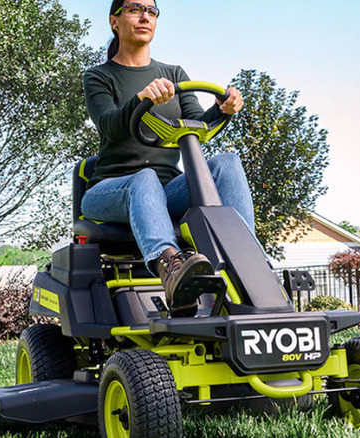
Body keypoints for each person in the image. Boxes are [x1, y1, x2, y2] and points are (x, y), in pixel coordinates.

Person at [81, 0, 253, 315]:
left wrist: (222, 108)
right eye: (134, 8)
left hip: (166, 191)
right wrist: (140, 100)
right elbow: (108, 125)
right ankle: (171, 268)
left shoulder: (174, 74)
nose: (145, 15)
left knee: (227, 163)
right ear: (114, 22)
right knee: (143, 179)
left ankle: (251, 264)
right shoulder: (98, 76)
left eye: (151, 10)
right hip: (109, 191)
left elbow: (198, 125)